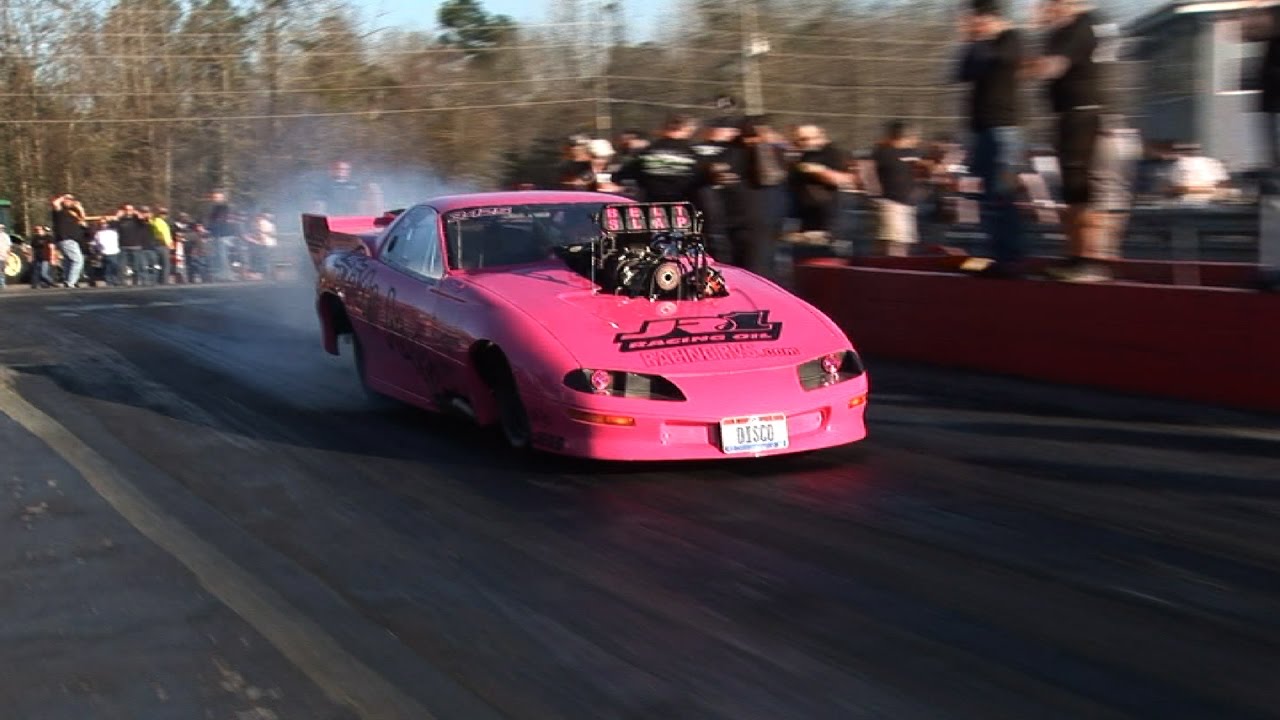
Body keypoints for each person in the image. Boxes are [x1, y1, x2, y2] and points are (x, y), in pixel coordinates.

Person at [1025, 0, 1112, 282]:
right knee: (1071, 189)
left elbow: (1051, 67)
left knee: (1080, 187)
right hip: (1067, 114)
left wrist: (1021, 62)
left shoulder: (1080, 27)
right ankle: (1075, 255)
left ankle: (1089, 258)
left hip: (1081, 114)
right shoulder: (1063, 31)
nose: (1045, 10)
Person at [956, 0, 1027, 277]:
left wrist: (983, 39)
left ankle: (1012, 255)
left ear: (988, 18)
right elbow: (963, 72)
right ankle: (998, 253)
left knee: (1002, 193)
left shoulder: (1011, 38)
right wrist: (971, 41)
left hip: (1003, 127)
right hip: (981, 129)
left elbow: (1000, 61)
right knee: (986, 195)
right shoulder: (978, 46)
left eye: (975, 20)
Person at [873, 120, 924, 256]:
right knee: (895, 243)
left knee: (901, 242)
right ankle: (891, 270)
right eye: (913, 138)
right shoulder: (884, 153)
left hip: (906, 204)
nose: (916, 141)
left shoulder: (910, 153)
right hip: (892, 204)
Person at [0, 223, 9, 290]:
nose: (1, 229)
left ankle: (2, 283)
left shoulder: (6, 236)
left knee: (2, 270)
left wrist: (7, 256)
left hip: (3, 255)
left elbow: (9, 246)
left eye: (2, 228)